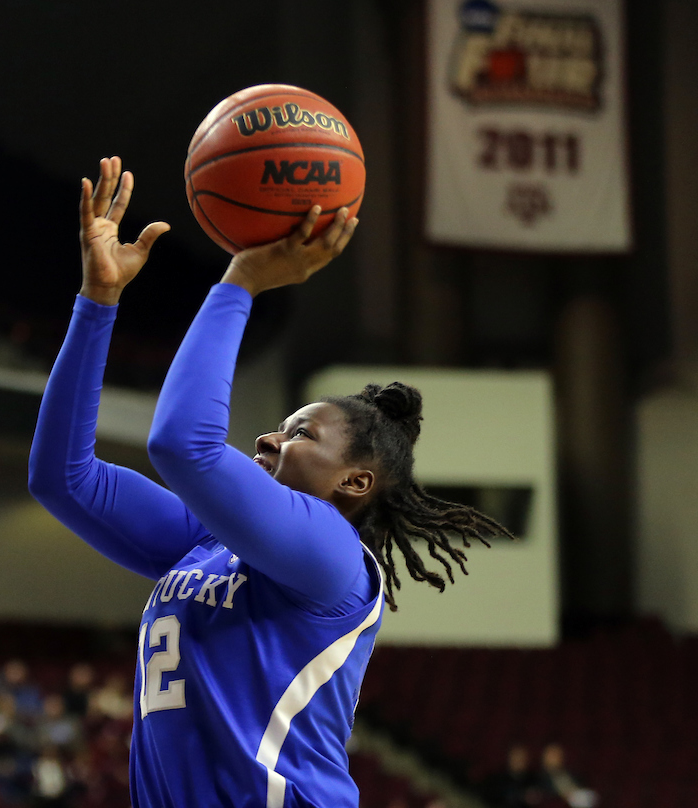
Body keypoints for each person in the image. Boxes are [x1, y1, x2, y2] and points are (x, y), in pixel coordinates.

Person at [28, 157, 513, 808]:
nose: (267, 439)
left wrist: (242, 279)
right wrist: (98, 303)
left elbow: (181, 444)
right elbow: (61, 476)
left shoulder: (332, 555)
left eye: (300, 434)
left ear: (356, 481)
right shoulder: (205, 542)